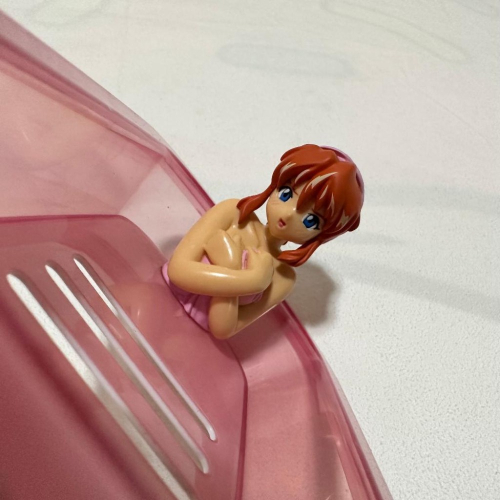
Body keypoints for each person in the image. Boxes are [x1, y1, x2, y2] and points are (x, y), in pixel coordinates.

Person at [164, 144, 364, 339]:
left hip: (191, 338)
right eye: (286, 194)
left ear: (323, 234)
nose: (289, 214)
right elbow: (178, 271)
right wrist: (252, 281)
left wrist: (231, 265)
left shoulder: (283, 277)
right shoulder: (234, 214)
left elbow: (222, 329)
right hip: (158, 292)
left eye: (311, 220)